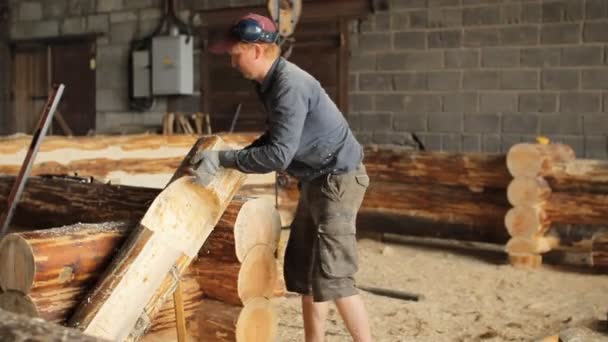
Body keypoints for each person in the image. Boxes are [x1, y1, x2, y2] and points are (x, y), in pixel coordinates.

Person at [190, 13, 372, 342]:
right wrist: (229, 158)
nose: (232, 62)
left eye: (236, 54)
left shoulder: (288, 86)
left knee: (336, 275)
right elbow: (275, 140)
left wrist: (223, 160)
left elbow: (277, 157)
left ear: (257, 51)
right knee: (303, 274)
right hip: (317, 179)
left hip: (339, 179)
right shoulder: (271, 83)